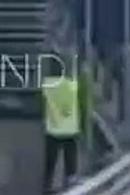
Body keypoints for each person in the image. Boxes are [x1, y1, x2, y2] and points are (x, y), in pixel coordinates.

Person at [41, 52, 82, 192]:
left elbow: (42, 105)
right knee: (70, 161)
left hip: (53, 128)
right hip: (70, 128)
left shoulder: (47, 86)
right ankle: (71, 185)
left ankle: (47, 187)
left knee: (50, 163)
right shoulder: (71, 84)